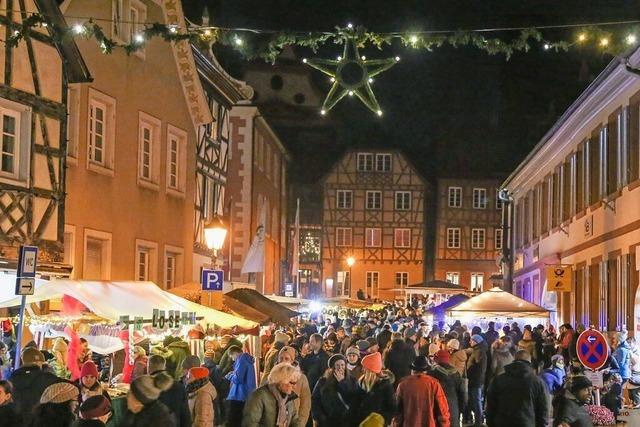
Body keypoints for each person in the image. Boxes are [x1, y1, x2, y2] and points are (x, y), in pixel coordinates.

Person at [486, 350, 548, 427]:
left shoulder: (498, 380)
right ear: (529, 362)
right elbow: (543, 408)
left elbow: (490, 405)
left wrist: (491, 423)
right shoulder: (537, 382)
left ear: (514, 360)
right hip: (527, 423)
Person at [394, 354, 449, 427]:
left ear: (412, 370)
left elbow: (397, 412)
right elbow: (442, 410)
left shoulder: (403, 385)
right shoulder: (434, 384)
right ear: (426, 371)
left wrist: (396, 424)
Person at [242, 362, 302, 427]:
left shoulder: (288, 397)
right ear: (281, 381)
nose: (294, 386)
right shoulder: (259, 396)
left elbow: (295, 420)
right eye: (292, 383)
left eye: (296, 383)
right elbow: (250, 423)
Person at [9, 347, 61, 418]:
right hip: (37, 419)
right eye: (41, 363)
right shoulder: (45, 377)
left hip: (15, 418)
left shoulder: (13, 376)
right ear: (36, 362)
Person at [311, 354, 358, 427]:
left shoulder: (352, 381)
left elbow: (353, 399)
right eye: (337, 365)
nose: (340, 368)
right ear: (332, 367)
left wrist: (342, 383)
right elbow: (315, 400)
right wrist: (319, 417)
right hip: (326, 422)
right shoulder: (323, 381)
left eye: (342, 365)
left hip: (345, 422)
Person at [351, 352, 396, 426]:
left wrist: (380, 419)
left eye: (364, 367)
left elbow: (392, 408)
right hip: (360, 422)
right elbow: (355, 403)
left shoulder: (385, 386)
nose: (362, 370)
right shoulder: (361, 382)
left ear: (371, 370)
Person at [147, 354, 191, 427]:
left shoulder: (145, 386)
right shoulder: (179, 386)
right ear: (164, 366)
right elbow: (185, 415)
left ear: (148, 367)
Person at [429, 350, 464, 427]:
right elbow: (462, 392)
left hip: (438, 406)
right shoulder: (456, 373)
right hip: (453, 406)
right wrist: (461, 407)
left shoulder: (432, 372)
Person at [278, 346, 311, 426]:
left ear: (292, 361)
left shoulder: (301, 378)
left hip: (293, 421)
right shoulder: (272, 377)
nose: (283, 361)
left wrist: (300, 424)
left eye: (286, 358)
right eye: (281, 358)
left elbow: (305, 405)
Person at [226, 345, 257, 426]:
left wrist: (229, 375)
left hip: (238, 394)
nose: (232, 359)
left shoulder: (241, 359)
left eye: (232, 356)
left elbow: (238, 379)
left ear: (235, 353)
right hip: (246, 394)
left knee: (233, 419)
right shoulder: (247, 360)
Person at [465, 334, 487, 427]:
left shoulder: (479, 352)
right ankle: (475, 420)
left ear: (476, 342)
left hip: (476, 381)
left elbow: (480, 368)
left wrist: (472, 376)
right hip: (475, 380)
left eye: (472, 340)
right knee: (473, 400)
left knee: (477, 401)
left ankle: (478, 422)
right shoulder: (476, 350)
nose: (470, 342)